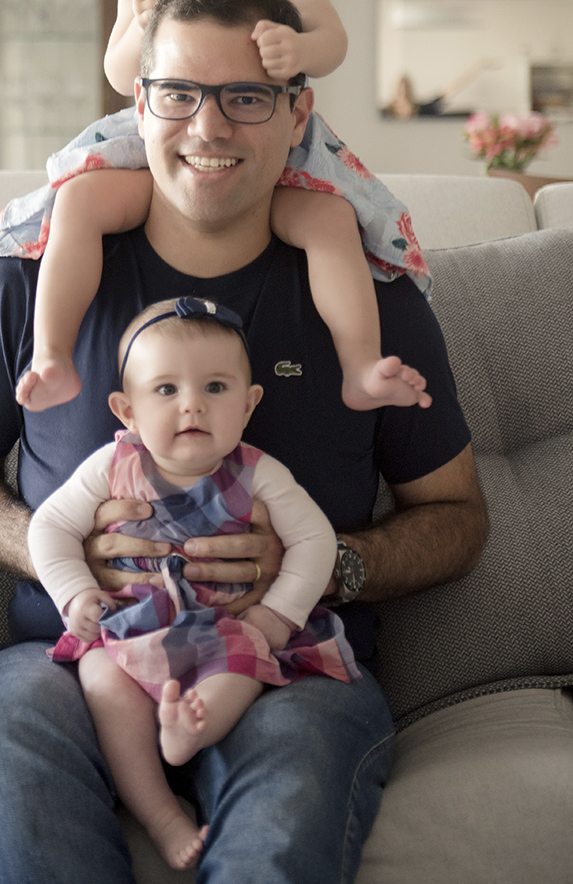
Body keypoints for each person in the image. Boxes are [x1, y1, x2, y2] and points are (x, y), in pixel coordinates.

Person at [0, 0, 487, 884]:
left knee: (286, 816)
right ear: (137, 107)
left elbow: (459, 514)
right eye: (178, 93)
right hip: (69, 656)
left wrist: (322, 568)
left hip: (285, 660)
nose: (209, 128)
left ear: (298, 114)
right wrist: (57, 556)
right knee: (15, 740)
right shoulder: (31, 283)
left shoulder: (372, 305)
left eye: (246, 98)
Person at [0, 0, 432, 417]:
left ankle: (361, 366)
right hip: (159, 146)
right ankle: (51, 353)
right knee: (77, 203)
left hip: (273, 153)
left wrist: (299, 46)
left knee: (333, 221)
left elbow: (333, 42)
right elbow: (117, 71)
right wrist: (140, 24)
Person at [28, 294, 361, 870]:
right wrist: (75, 593)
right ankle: (160, 813)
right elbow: (51, 526)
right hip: (127, 630)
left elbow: (315, 540)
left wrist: (277, 615)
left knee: (245, 660)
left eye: (215, 388)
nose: (193, 407)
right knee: (101, 679)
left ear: (250, 404)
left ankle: (189, 731)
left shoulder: (258, 472)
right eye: (166, 390)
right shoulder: (112, 467)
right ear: (125, 410)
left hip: (222, 628)